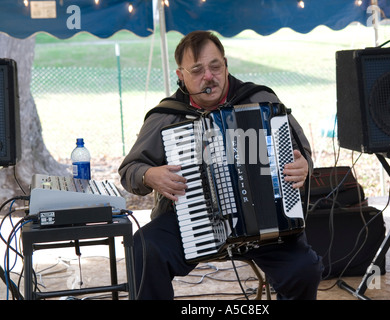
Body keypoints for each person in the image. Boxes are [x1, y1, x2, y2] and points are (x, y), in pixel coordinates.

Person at [119, 31, 323, 300]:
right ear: (181, 75)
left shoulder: (261, 100)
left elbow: (301, 150)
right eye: (197, 70)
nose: (209, 76)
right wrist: (148, 174)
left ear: (225, 65)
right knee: (144, 248)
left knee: (305, 269)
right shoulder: (167, 115)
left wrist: (303, 165)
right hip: (191, 222)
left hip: (267, 226)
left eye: (215, 66)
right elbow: (129, 170)